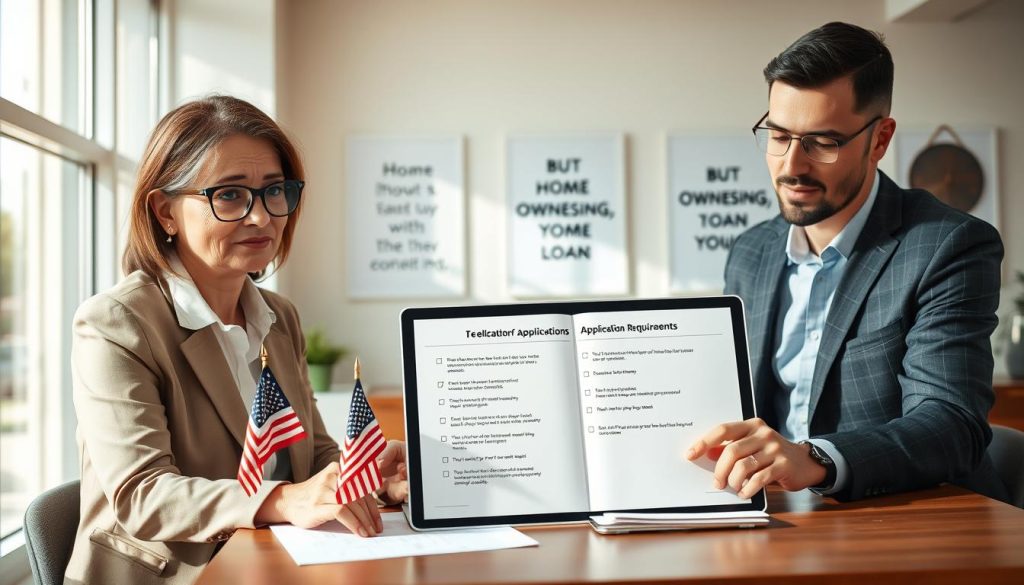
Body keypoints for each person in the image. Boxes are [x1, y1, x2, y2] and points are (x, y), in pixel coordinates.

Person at [66, 95, 408, 585]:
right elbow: (142, 496)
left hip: (269, 566)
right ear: (164, 212)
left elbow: (313, 459)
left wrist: (370, 477)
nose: (262, 217)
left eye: (274, 191)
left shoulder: (280, 317)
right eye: (229, 195)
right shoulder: (116, 325)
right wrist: (285, 499)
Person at [686, 22, 1007, 503]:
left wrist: (815, 459)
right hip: (773, 522)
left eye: (822, 142)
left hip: (901, 525)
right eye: (779, 135)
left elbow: (950, 424)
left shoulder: (948, 245)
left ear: (880, 139)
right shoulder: (750, 252)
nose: (792, 165)